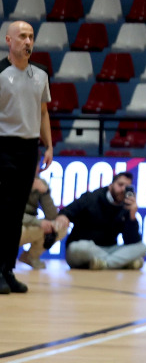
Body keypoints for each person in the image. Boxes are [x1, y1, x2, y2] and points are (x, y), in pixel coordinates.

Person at [0, 20, 53, 294]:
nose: (28, 41)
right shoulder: (0, 73)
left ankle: (7, 270)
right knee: (3, 211)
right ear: (9, 41)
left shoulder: (41, 74)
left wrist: (49, 145)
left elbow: (43, 112)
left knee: (16, 214)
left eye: (31, 36)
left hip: (29, 148)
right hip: (3, 147)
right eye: (22, 36)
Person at [61, 170, 146, 270]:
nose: (123, 189)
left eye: (127, 187)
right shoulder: (91, 198)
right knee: (80, 247)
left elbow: (132, 242)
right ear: (111, 185)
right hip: (85, 249)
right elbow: (65, 212)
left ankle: (104, 264)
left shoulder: (127, 207)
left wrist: (132, 216)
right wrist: (62, 219)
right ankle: (121, 263)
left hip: (108, 249)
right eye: (120, 184)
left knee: (142, 247)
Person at [18, 175, 68, 269]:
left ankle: (31, 257)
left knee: (59, 227)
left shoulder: (40, 182)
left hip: (28, 225)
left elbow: (52, 216)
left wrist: (45, 192)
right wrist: (37, 222)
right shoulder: (8, 176)